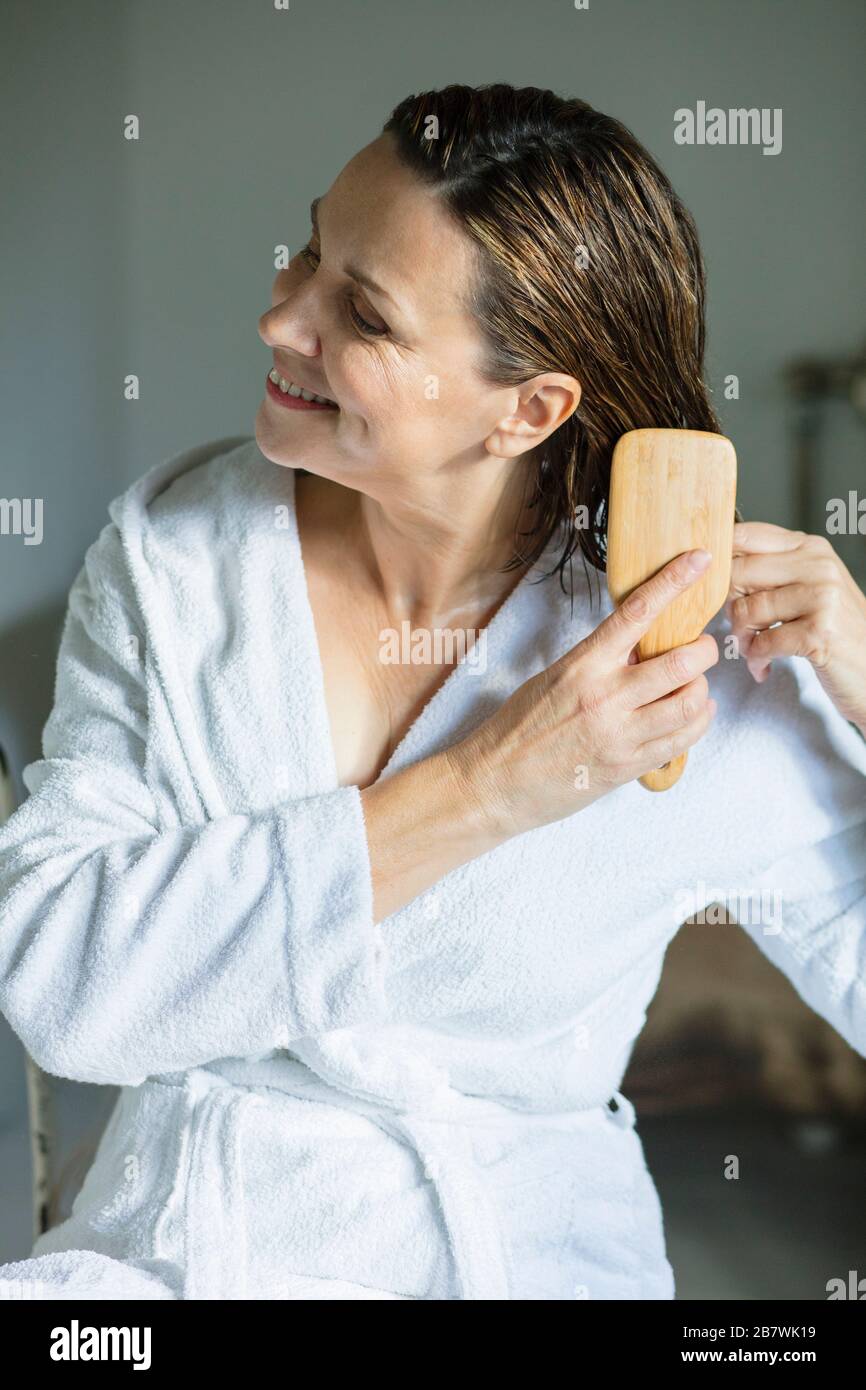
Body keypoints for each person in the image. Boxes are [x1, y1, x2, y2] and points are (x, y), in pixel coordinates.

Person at [1, 84, 865, 1301]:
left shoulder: (675, 654)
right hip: (193, 1247)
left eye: (361, 313)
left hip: (525, 1259)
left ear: (528, 410)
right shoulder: (177, 570)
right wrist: (483, 787)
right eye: (310, 248)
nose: (277, 316)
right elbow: (60, 984)